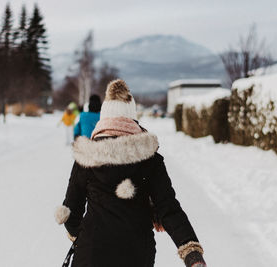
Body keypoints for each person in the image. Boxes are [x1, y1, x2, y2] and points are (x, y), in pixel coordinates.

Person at [55, 79, 206, 267]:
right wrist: (191, 253)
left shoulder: (86, 158)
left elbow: (71, 212)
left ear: (104, 119)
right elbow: (169, 209)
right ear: (133, 119)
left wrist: (87, 236)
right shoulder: (150, 160)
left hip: (91, 254)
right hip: (136, 255)